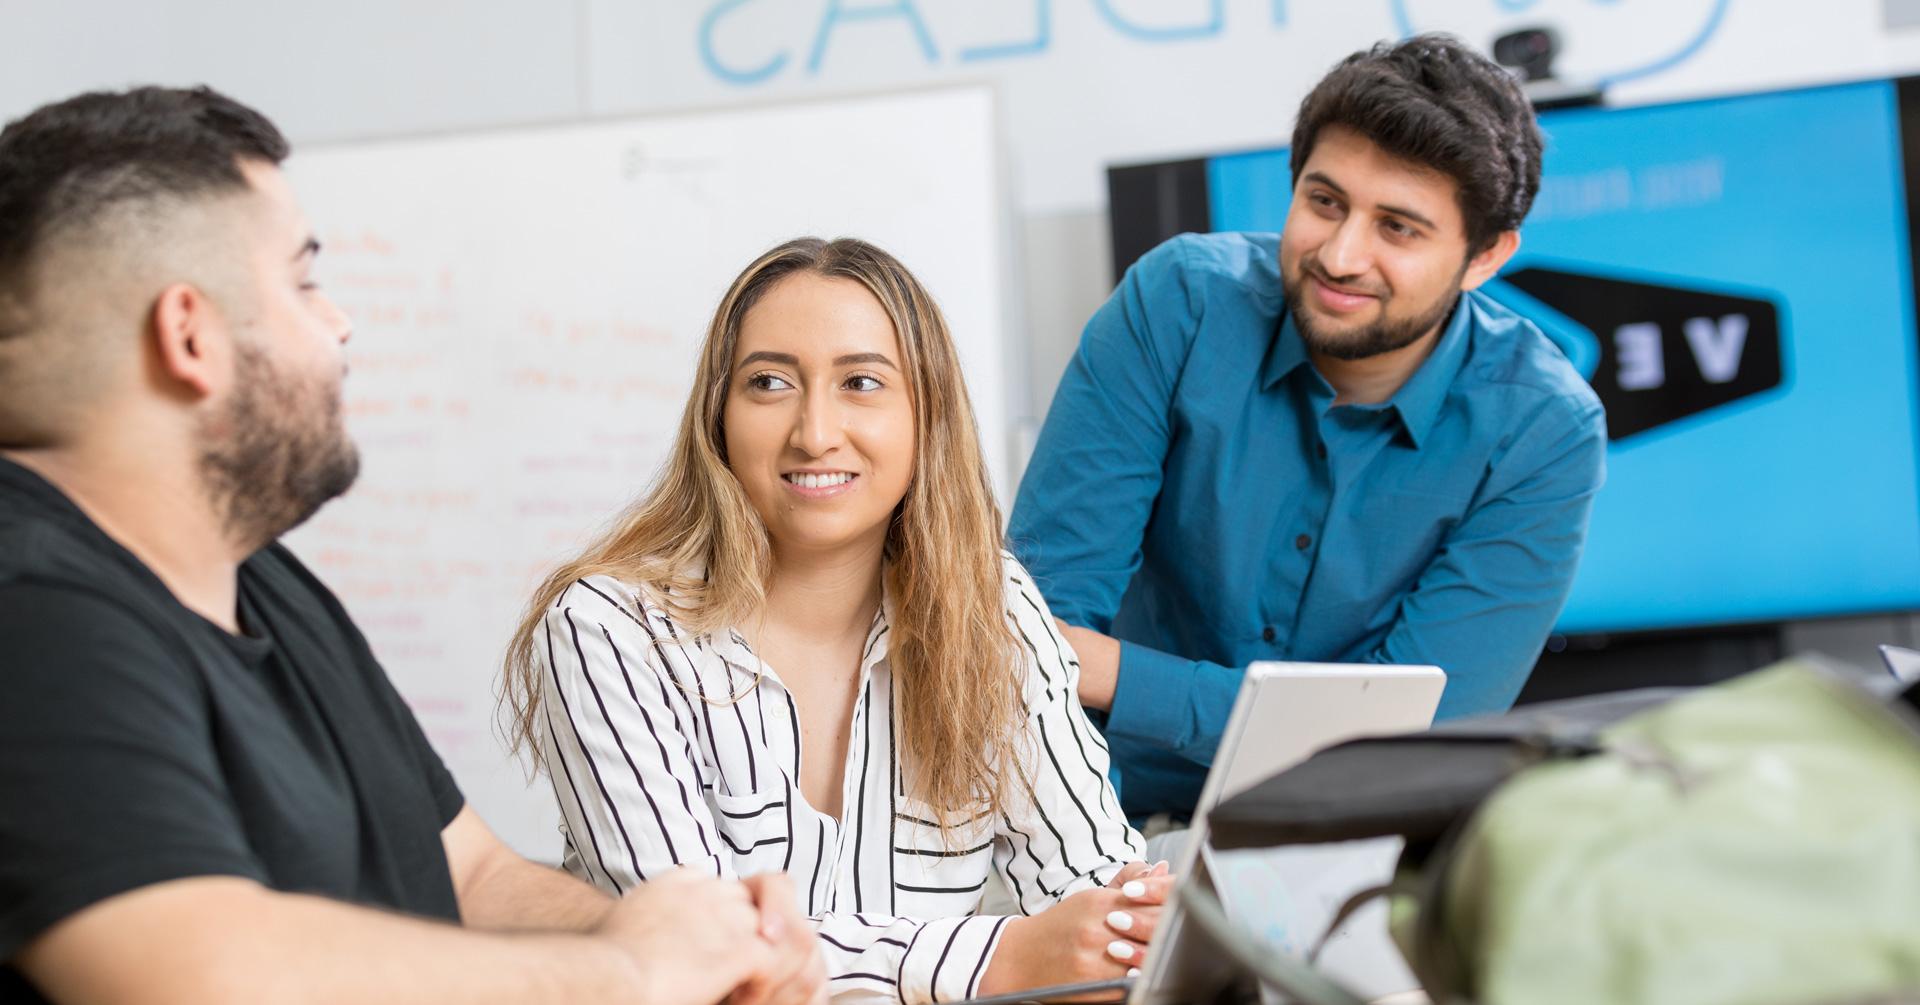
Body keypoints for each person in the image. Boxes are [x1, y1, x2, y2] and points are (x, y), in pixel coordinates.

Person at [0, 86, 825, 1005]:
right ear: (189, 334)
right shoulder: (29, 608)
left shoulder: (263, 578)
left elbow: (469, 877)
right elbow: (195, 973)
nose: (339, 321)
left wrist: (696, 942)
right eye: (304, 280)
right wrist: (625, 974)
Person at [500, 237, 1170, 1004]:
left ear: (928, 414)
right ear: (718, 415)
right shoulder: (609, 631)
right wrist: (1007, 956)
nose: (815, 432)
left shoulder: (994, 608)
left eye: (860, 382)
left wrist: (1138, 918)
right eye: (769, 382)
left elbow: (1092, 877)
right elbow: (709, 960)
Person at [1007, 34, 1608, 822]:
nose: (1341, 254)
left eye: (1398, 227)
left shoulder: (1542, 429)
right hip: (1102, 803)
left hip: (1360, 830)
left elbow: (1414, 741)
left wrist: (1116, 673)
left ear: (1486, 255)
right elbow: (1032, 643)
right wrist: (1095, 861)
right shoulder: (1178, 304)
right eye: (1325, 202)